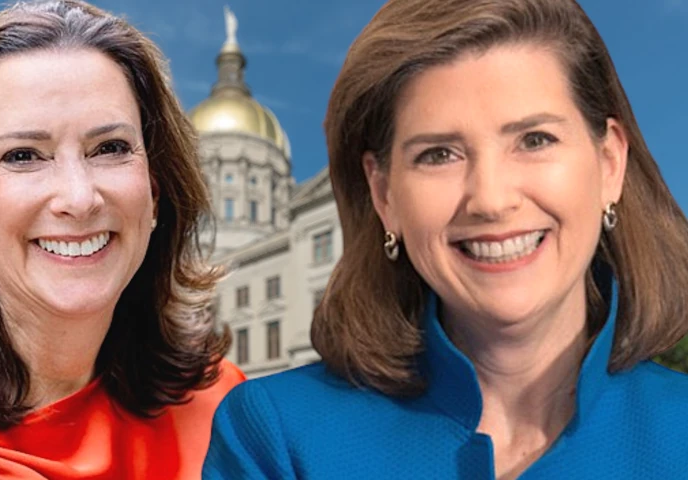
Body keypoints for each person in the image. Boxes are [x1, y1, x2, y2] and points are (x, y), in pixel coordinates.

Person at [203, 0, 688, 478]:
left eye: (535, 139)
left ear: (609, 165)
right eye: (439, 154)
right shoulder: (276, 435)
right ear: (384, 193)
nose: (491, 200)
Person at [0, 1, 244, 478]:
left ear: (154, 195)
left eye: (110, 148)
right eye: (23, 155)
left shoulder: (222, 405)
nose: (79, 198)